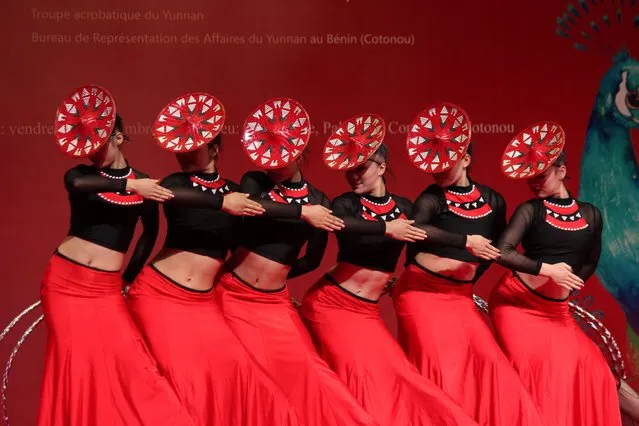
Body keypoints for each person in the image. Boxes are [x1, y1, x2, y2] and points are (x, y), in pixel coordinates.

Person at [127, 93, 301, 425]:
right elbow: (179, 197)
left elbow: (254, 242)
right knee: (182, 391)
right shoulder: (177, 184)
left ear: (216, 148)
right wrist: (224, 204)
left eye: (194, 146)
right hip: (160, 296)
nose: (184, 152)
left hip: (203, 304)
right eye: (180, 146)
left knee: (250, 384)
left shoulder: (237, 192)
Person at [214, 98, 377, 425]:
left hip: (273, 303)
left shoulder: (320, 200)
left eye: (284, 155)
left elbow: (314, 259)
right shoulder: (255, 182)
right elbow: (253, 206)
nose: (274, 163)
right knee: (249, 380)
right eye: (270, 156)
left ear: (301, 154)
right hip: (232, 295)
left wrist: (278, 279)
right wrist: (303, 213)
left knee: (312, 376)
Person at [38, 86, 194, 426]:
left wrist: (127, 279)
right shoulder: (81, 175)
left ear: (118, 136)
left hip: (104, 291)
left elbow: (150, 235)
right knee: (76, 366)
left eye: (100, 140)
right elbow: (78, 187)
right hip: (64, 285)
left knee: (132, 366)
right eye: (87, 143)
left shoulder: (145, 185)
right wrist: (130, 187)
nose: (92, 150)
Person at [301, 132, 479, 426]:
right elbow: (345, 226)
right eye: (350, 169)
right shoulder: (345, 204)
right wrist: (387, 229)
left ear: (381, 167)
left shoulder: (405, 207)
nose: (354, 176)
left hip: (366, 312)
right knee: (358, 379)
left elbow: (424, 239)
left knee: (402, 376)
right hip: (331, 306)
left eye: (361, 167)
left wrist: (465, 243)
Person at [393, 104, 546, 425]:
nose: (437, 169)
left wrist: (470, 277)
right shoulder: (431, 198)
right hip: (421, 294)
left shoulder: (493, 201)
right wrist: (465, 243)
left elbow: (495, 250)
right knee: (439, 375)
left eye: (446, 161)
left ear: (465, 159)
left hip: (459, 298)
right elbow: (416, 231)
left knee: (493, 368)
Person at [490, 122, 621, 426]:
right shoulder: (530, 211)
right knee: (539, 374)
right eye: (530, 177)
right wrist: (548, 271)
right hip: (516, 304)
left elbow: (590, 261)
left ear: (561, 171)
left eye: (542, 175)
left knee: (594, 369)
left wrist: (568, 286)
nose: (535, 183)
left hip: (555, 311)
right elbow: (502, 252)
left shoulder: (590, 214)